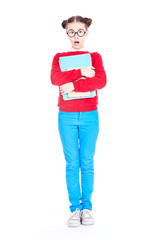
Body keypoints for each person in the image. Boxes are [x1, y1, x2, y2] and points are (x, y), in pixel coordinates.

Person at [50, 15, 107, 227]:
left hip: (90, 115)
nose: (76, 36)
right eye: (72, 32)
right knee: (72, 163)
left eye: (80, 31)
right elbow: (56, 79)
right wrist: (82, 72)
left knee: (87, 162)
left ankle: (87, 208)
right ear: (66, 33)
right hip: (66, 115)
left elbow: (100, 80)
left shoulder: (94, 56)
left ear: (87, 32)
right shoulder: (59, 57)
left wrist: (73, 85)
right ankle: (74, 209)